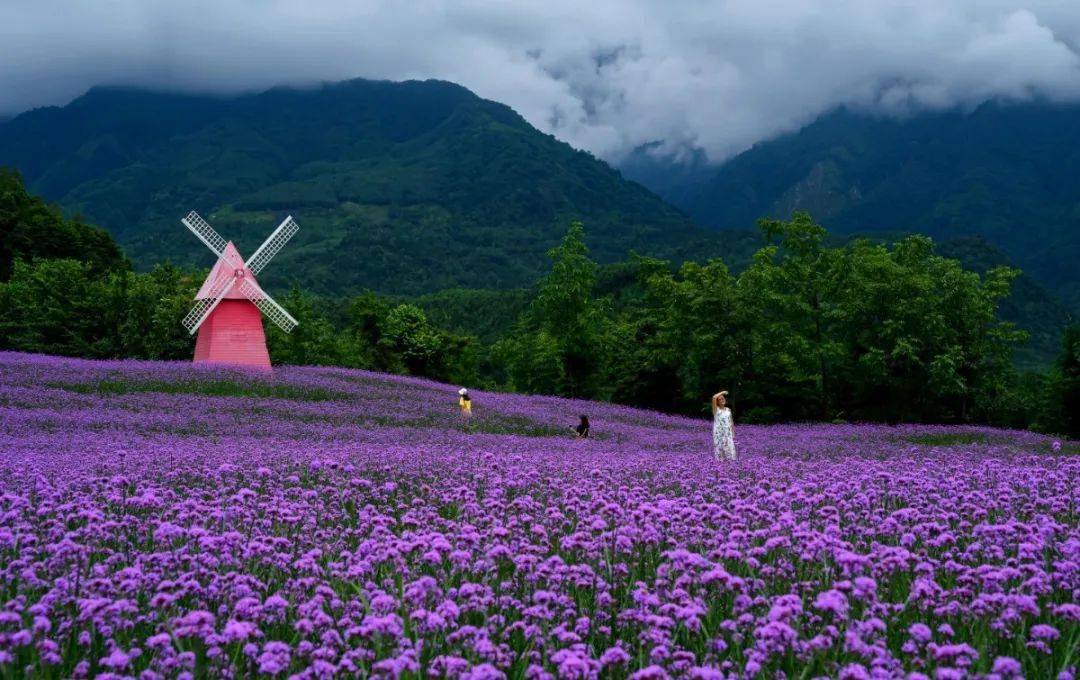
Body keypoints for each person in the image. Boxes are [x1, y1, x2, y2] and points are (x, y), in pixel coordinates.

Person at [711, 391, 736, 461]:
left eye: (723, 398)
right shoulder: (716, 410)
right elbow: (714, 397)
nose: (722, 400)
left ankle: (730, 463)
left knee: (729, 447)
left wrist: (733, 432)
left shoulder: (728, 410)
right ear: (717, 402)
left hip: (728, 432)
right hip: (718, 433)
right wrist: (723, 392)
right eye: (720, 399)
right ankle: (720, 465)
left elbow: (731, 421)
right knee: (719, 447)